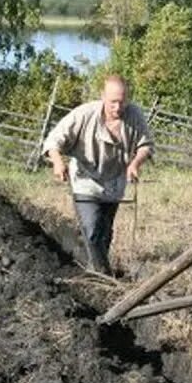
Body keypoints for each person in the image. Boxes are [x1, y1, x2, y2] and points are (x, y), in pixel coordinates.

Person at [42, 75, 154, 275]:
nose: (118, 107)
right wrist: (58, 162)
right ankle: (102, 274)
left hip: (114, 181)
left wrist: (135, 163)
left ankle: (95, 264)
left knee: (105, 232)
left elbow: (145, 145)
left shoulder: (134, 115)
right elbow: (54, 140)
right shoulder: (84, 114)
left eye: (122, 101)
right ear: (103, 97)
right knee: (92, 229)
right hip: (86, 180)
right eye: (113, 102)